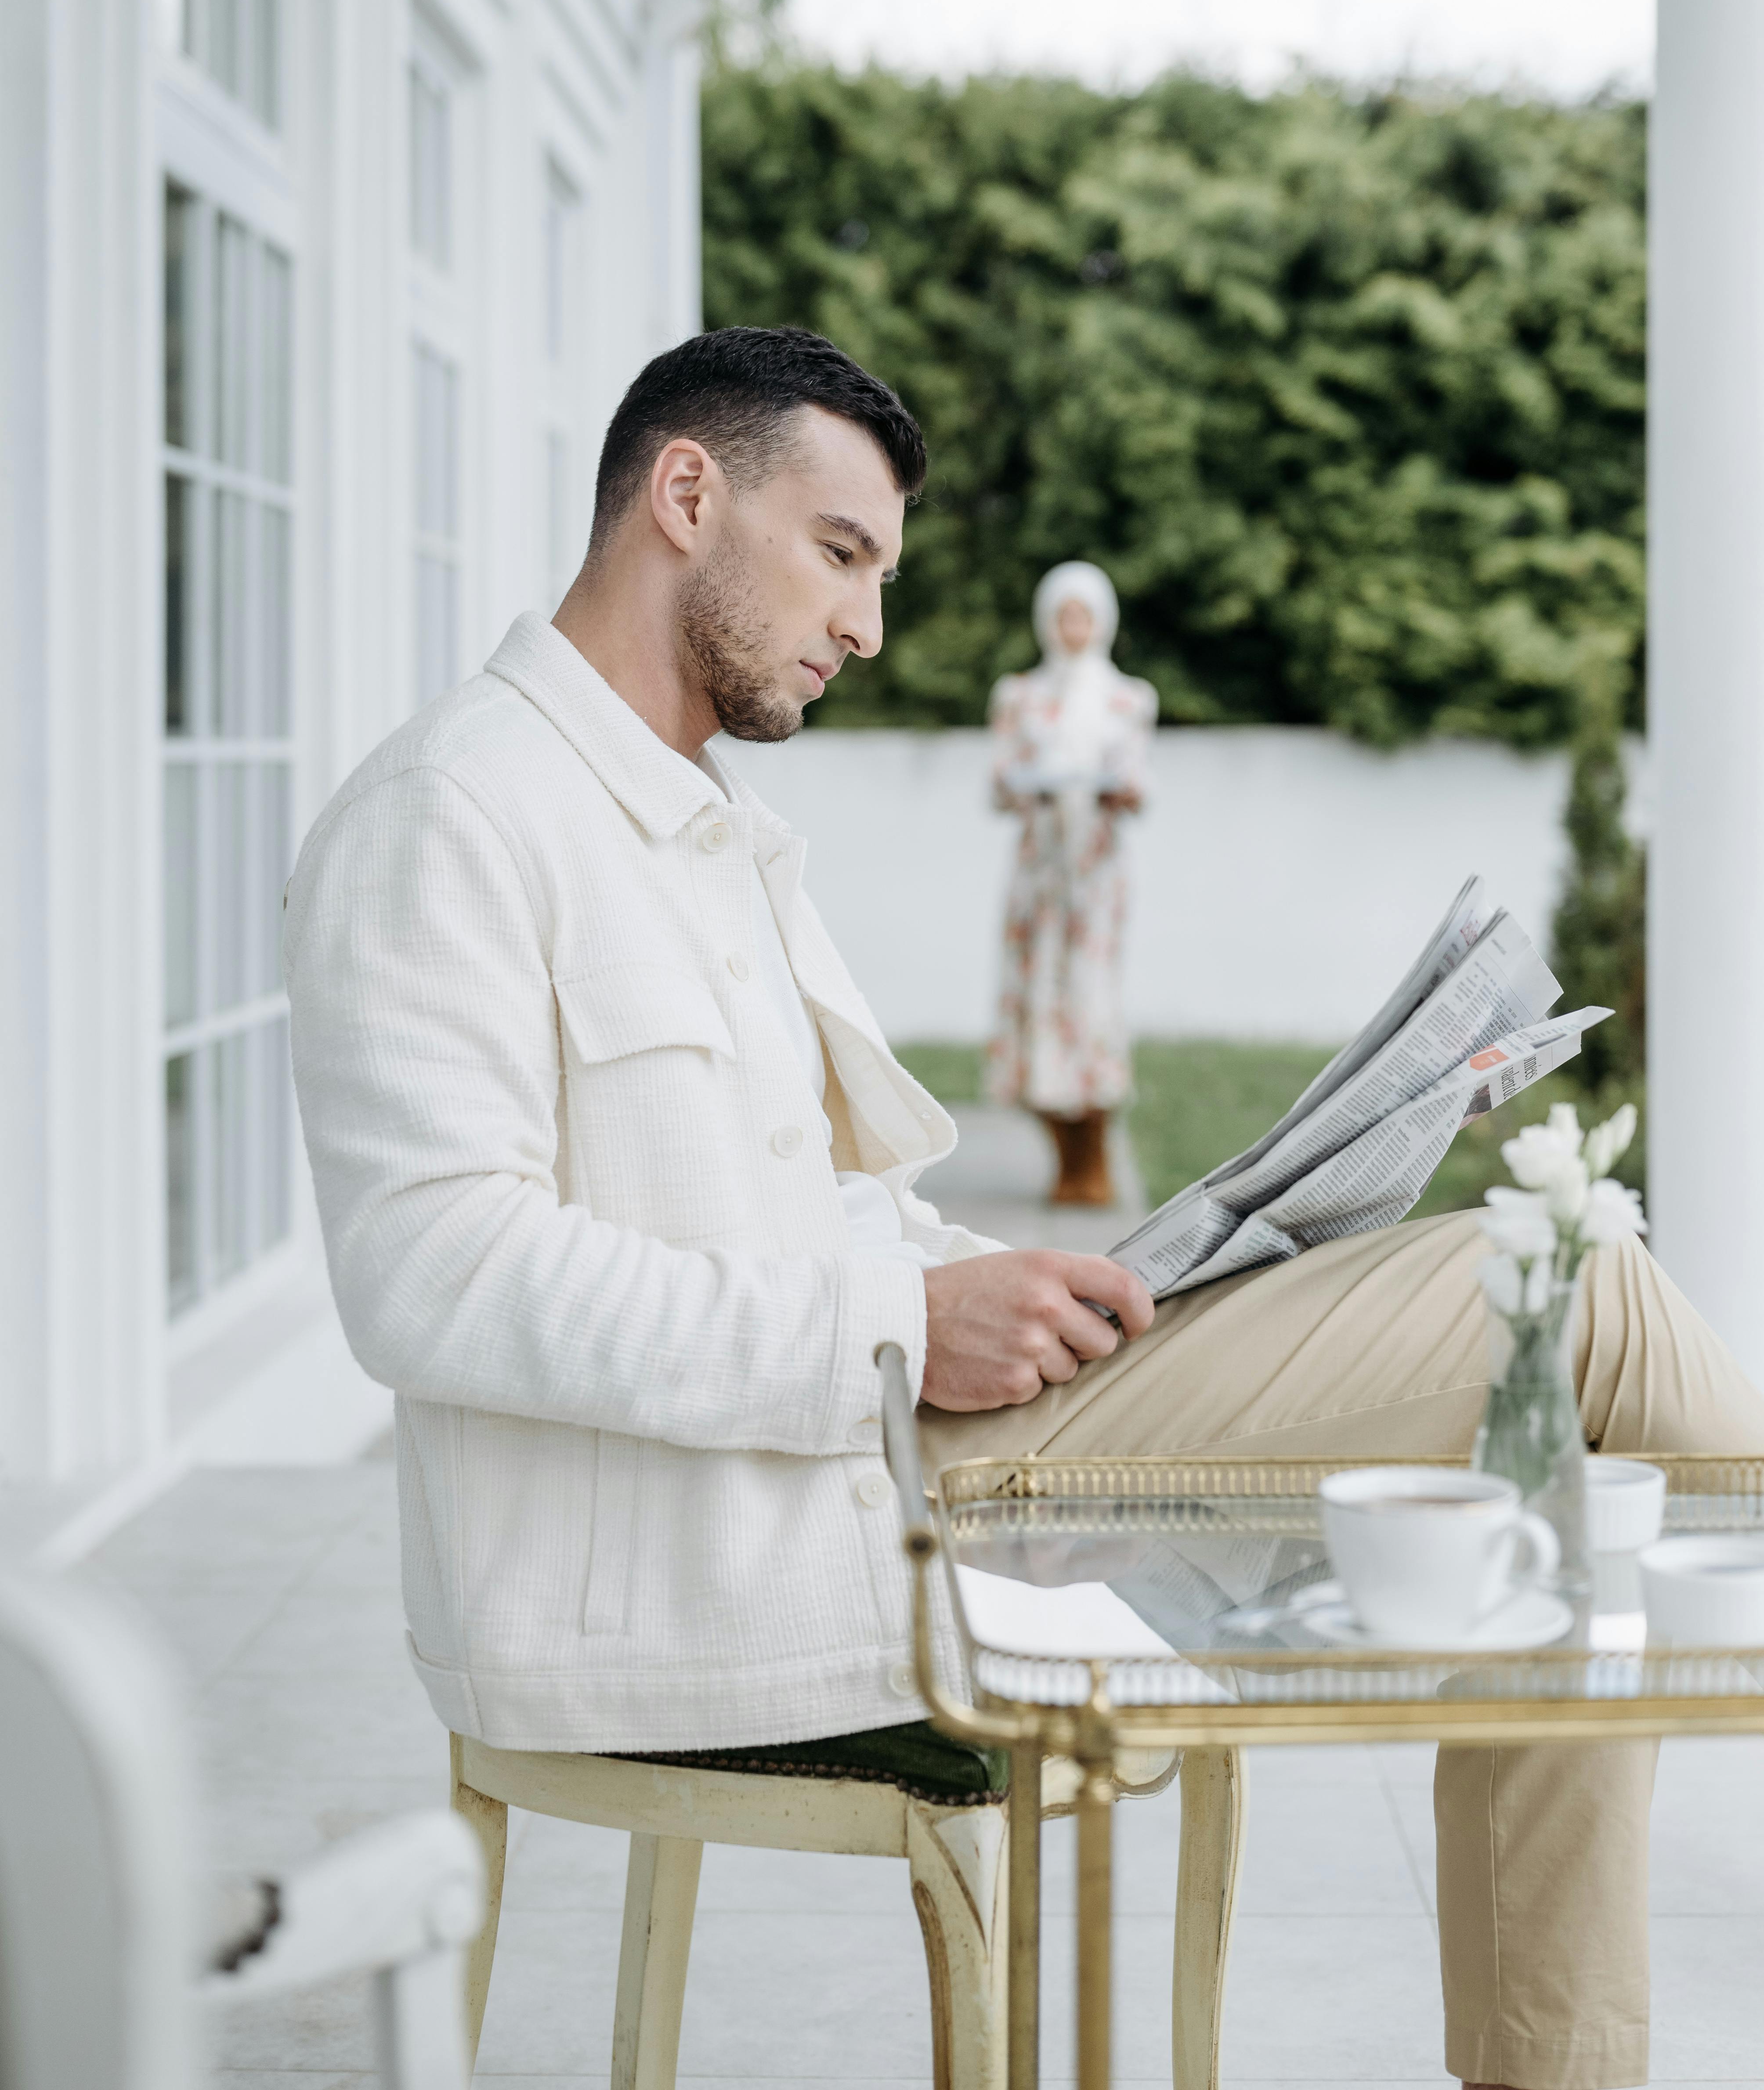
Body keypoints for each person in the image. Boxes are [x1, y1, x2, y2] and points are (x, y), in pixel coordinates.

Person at [288, 325, 1764, 2090]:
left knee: (1557, 1448)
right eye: (840, 555)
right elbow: (428, 1276)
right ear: (683, 493)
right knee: (1571, 1285)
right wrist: (906, 1323)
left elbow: (827, 1213)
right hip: (770, 1537)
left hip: (904, 1444)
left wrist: (990, 1275)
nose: (868, 627)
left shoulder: (697, 822)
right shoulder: (453, 811)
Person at [986, 560, 1156, 1207]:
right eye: (1065, 613)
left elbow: (1140, 784)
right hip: (1039, 878)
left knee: (1090, 1005)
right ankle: (1062, 1162)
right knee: (1036, 1003)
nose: (1075, 626)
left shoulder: (1129, 699)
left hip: (1098, 879)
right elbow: (999, 784)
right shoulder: (1019, 696)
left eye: (1085, 613)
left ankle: (1095, 1162)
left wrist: (1111, 783)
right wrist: (1038, 777)